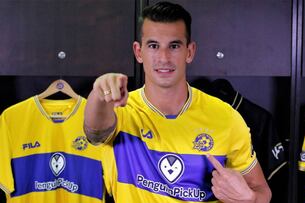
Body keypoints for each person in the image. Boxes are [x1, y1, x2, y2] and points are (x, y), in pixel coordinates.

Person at [84, 1, 271, 202]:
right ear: (139, 52)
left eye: (174, 46)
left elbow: (263, 192)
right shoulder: (121, 110)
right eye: (153, 46)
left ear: (189, 52)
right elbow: (95, 132)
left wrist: (249, 198)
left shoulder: (227, 118)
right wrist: (99, 93)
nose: (164, 58)